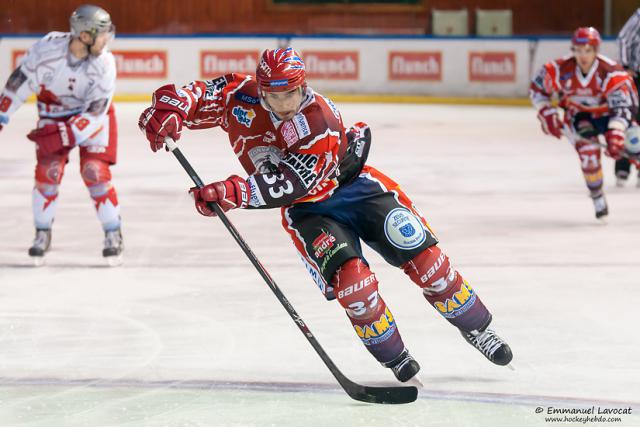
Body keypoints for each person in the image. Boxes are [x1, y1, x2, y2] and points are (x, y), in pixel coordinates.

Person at [138, 48, 512, 382]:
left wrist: (230, 191)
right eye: (274, 95)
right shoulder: (241, 96)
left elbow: (291, 182)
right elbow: (195, 93)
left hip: (357, 189)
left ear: (304, 87)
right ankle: (394, 355)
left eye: (291, 94)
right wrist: (167, 111)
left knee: (429, 263)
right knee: (356, 287)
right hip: (310, 214)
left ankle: (477, 328)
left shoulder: (321, 119)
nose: (284, 103)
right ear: (261, 88)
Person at [0, 4, 123, 265]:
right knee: (48, 172)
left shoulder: (105, 64)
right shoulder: (46, 51)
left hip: (90, 118)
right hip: (53, 114)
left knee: (94, 171)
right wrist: (2, 115)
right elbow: (18, 84)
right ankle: (42, 232)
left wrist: (65, 135)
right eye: (102, 34)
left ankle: (113, 232)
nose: (106, 40)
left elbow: (95, 113)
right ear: (85, 36)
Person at [530, 27, 638, 219]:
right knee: (588, 154)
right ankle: (597, 196)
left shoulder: (611, 72)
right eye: (579, 50)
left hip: (609, 115)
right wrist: (547, 113)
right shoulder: (559, 70)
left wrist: (616, 132)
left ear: (596, 50)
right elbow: (538, 89)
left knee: (635, 141)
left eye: (588, 50)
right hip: (580, 117)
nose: (583, 56)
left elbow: (623, 107)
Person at [617, 8, 640, 187]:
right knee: (631, 121)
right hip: (636, 77)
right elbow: (624, 38)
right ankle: (623, 167)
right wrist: (626, 67)